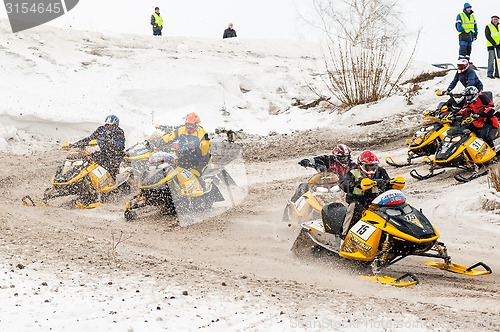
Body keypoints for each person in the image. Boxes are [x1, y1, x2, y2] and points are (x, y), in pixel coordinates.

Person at [340, 150, 397, 239]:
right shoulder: (353, 172)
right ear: (361, 166)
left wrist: (393, 184)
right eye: (367, 168)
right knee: (354, 208)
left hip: (377, 201)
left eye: (373, 168)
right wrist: (357, 184)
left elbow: (387, 182)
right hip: (358, 201)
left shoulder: (381, 171)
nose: (371, 170)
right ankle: (344, 235)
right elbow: (344, 184)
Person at [160, 112, 211, 177]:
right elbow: (168, 137)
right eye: (187, 125)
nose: (188, 128)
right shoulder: (180, 130)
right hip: (183, 158)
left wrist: (194, 150)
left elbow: (204, 150)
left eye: (191, 125)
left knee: (193, 176)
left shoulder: (202, 133)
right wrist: (159, 141)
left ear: (196, 124)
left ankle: (202, 186)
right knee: (172, 172)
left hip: (199, 161)